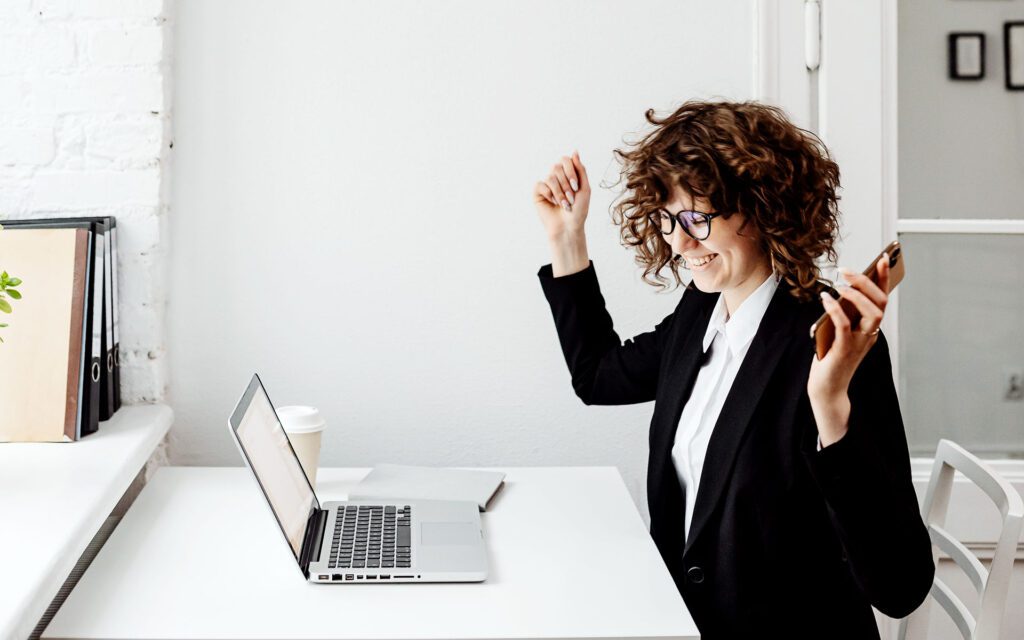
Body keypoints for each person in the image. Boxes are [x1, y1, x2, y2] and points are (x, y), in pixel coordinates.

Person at [532, 100, 934, 638]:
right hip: (679, 620)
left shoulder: (835, 345)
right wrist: (566, 236)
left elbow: (899, 586)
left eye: (697, 218)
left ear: (763, 209)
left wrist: (831, 406)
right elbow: (599, 377)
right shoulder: (703, 308)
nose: (679, 242)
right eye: (667, 219)